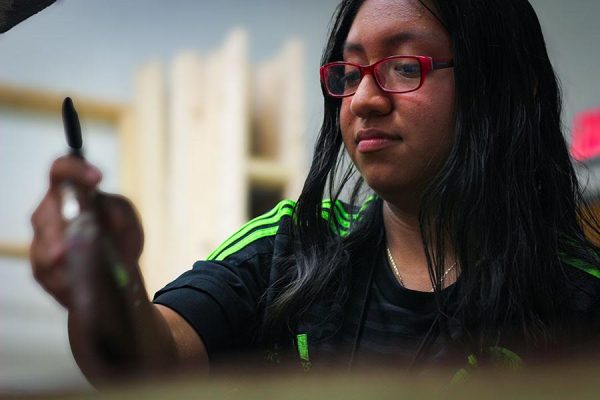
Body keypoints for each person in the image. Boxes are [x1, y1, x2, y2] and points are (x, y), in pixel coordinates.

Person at [30, 0, 600, 386]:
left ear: (502, 89)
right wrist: (110, 287)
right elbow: (145, 364)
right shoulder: (293, 248)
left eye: (403, 66)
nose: (363, 100)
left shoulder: (579, 297)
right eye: (349, 74)